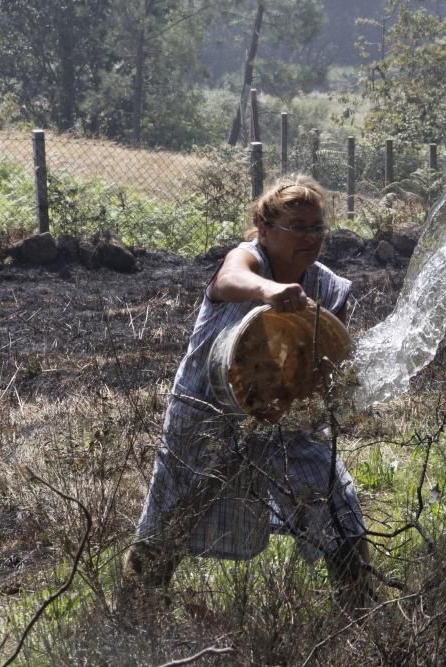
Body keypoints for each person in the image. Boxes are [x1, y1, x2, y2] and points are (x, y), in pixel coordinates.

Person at [118, 175, 370, 617]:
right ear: (265, 228)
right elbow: (232, 277)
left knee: (335, 502)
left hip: (283, 419)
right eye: (298, 226)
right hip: (206, 411)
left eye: (317, 227)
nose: (310, 237)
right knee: (174, 513)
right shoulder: (247, 259)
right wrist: (271, 292)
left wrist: (332, 391)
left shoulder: (329, 289)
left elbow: (328, 362)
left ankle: (359, 612)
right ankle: (134, 613)